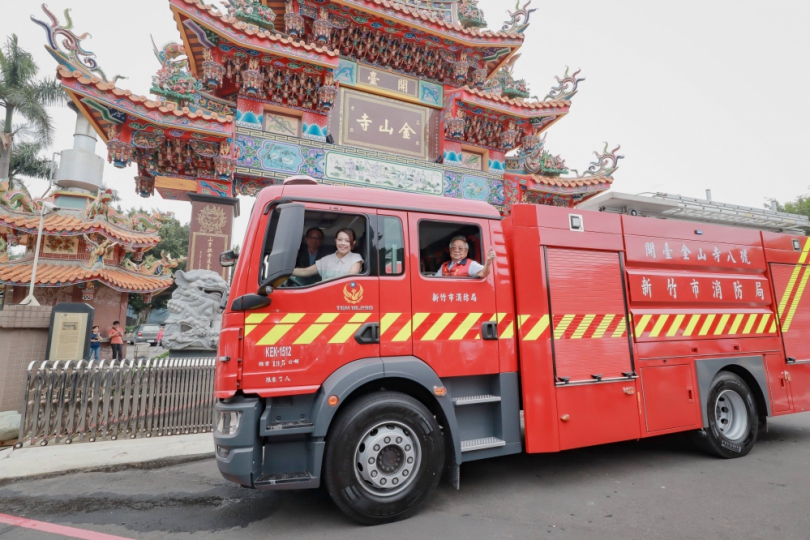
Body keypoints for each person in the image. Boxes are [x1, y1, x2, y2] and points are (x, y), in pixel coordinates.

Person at [293, 228, 363, 281]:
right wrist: (285, 271)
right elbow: (305, 271)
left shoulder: (356, 258)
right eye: (340, 239)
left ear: (353, 243)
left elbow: (349, 280)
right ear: (335, 241)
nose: (342, 243)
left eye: (347, 241)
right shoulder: (327, 259)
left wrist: (320, 284)